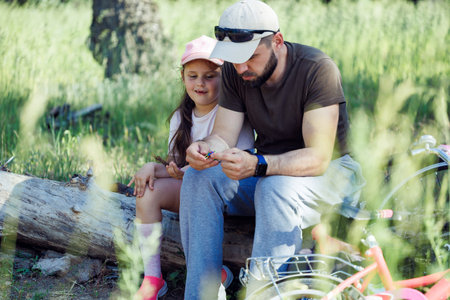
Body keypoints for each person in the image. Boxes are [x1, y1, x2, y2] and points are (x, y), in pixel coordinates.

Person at [179, 0, 366, 299]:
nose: (241, 68)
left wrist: (258, 165)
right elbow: (224, 134)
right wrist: (205, 147)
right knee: (198, 179)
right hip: (268, 173)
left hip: (333, 174)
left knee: (274, 189)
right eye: (234, 59)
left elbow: (318, 158)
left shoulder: (317, 69)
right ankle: (200, 293)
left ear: (277, 41)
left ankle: (265, 294)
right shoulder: (235, 71)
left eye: (250, 57)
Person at [129, 35, 254, 300]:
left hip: (230, 189)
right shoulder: (180, 117)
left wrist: (171, 170)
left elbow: (228, 165)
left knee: (196, 180)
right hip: (192, 185)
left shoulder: (231, 113)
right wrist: (153, 168)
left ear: (225, 77)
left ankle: (212, 273)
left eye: (210, 76)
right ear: (183, 77)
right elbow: (178, 167)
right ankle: (153, 278)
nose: (200, 83)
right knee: (148, 191)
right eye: (192, 75)